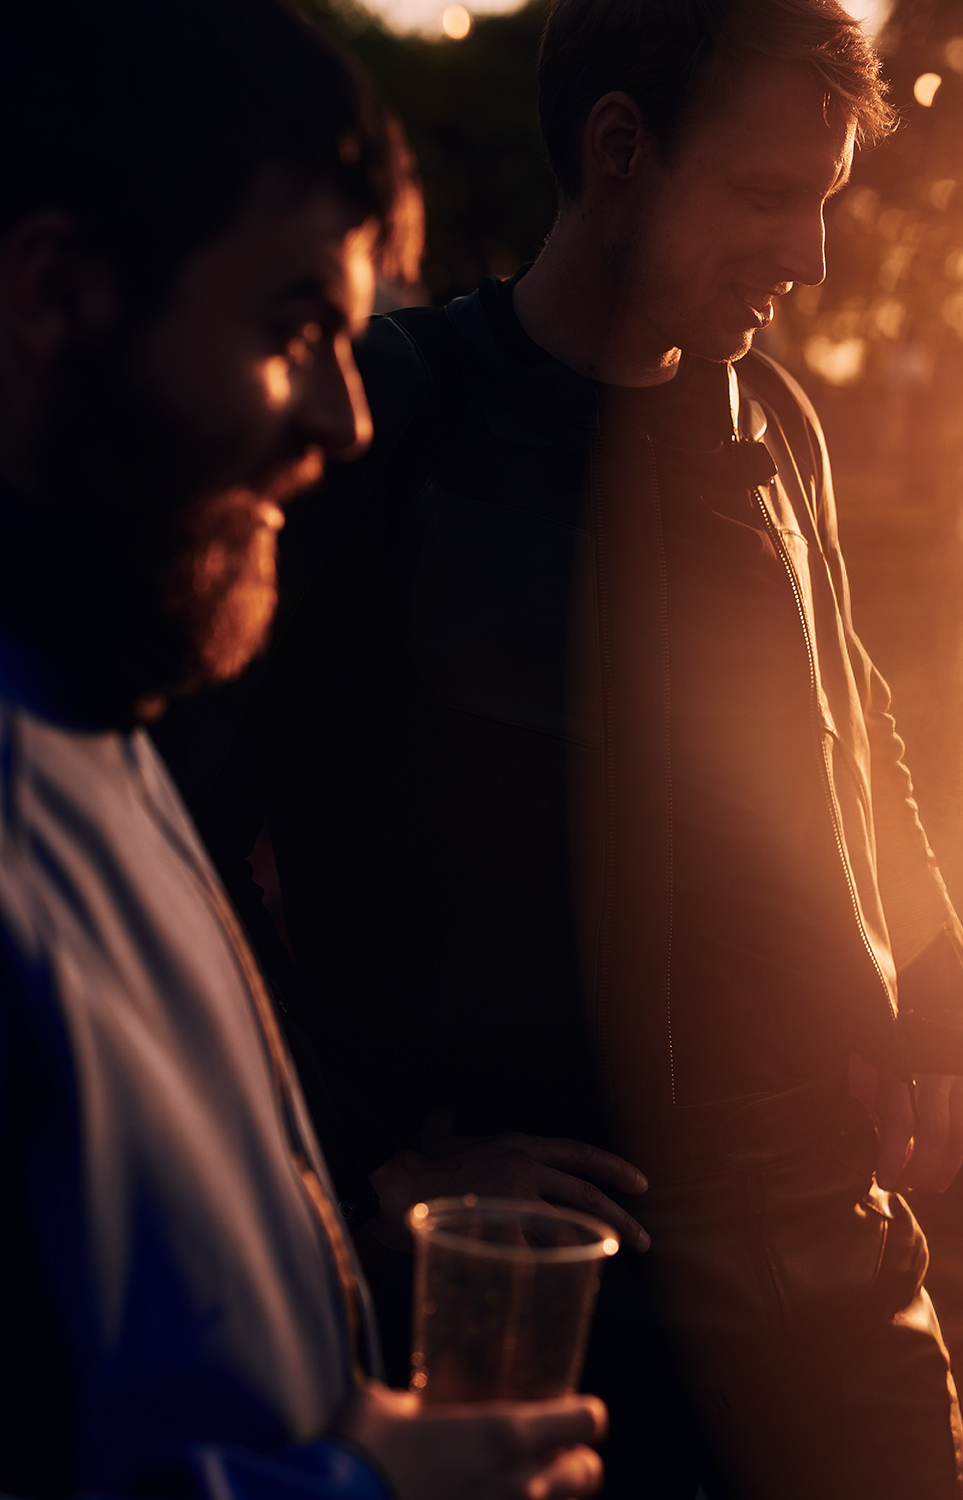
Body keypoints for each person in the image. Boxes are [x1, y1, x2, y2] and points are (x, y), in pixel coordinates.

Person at [155, 0, 963, 1496]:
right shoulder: (387, 426)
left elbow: (862, 729)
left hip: (839, 1265)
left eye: (826, 203)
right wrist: (369, 1155)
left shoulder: (778, 421)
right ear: (619, 148)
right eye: (768, 195)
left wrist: (936, 1005)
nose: (810, 257)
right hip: (541, 1286)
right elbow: (176, 843)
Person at [0, 2, 611, 1497]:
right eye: (291, 333)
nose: (348, 421)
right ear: (54, 296)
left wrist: (358, 1441)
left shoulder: (105, 727)